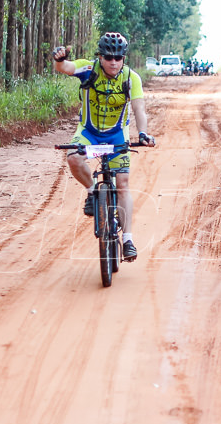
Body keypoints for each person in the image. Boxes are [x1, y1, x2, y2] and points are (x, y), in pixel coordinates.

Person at [52, 32, 155, 261]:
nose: (114, 62)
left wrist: (143, 133)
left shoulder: (131, 78)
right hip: (89, 131)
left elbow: (139, 109)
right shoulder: (88, 69)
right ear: (100, 57)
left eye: (118, 58)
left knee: (123, 185)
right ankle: (91, 192)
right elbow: (65, 68)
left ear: (123, 58)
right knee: (73, 157)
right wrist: (59, 59)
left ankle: (127, 239)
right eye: (108, 57)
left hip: (117, 135)